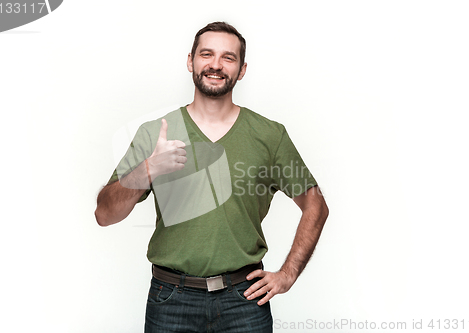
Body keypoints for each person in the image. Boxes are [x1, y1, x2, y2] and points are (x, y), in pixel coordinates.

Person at [95, 21, 329, 333]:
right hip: (171, 300)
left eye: (228, 58)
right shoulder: (155, 133)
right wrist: (147, 169)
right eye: (207, 54)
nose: (215, 65)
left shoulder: (269, 135)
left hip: (244, 300)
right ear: (190, 60)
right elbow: (104, 214)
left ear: (242, 69)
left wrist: (288, 273)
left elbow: (316, 204)